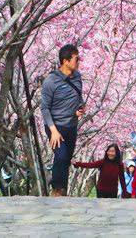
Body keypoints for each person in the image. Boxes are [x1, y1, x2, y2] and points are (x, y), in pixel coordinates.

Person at [40, 43, 85, 196]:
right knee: (61, 155)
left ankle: (62, 190)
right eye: (76, 59)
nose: (78, 62)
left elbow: (79, 97)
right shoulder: (51, 81)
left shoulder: (78, 77)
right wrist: (53, 131)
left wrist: (80, 109)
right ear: (65, 61)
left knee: (66, 159)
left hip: (71, 125)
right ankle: (56, 189)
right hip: (55, 126)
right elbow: (44, 108)